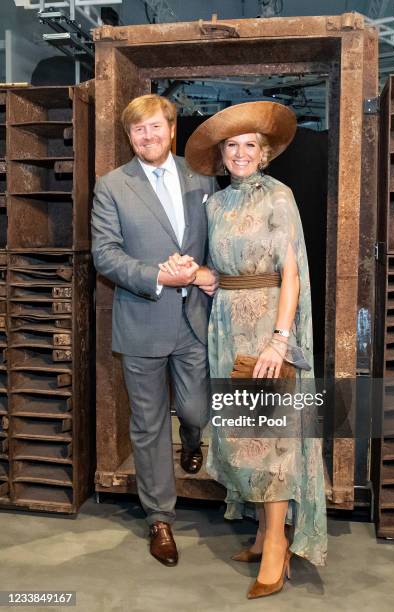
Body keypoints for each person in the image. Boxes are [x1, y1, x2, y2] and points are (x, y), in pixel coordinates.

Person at [163, 101, 327, 598]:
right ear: (222, 154)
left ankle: (277, 544)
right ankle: (261, 532)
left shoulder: (279, 197)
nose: (239, 153)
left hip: (266, 328)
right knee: (243, 435)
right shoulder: (217, 203)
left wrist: (281, 341)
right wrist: (197, 273)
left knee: (274, 437)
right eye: (231, 146)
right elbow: (218, 271)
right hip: (226, 328)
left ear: (265, 153)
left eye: (248, 145)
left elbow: (292, 272)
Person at [91, 94, 217, 568]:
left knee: (195, 406)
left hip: (194, 320)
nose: (148, 136)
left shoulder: (200, 176)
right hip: (142, 320)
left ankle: (190, 436)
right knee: (146, 424)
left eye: (155, 127)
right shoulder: (112, 186)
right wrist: (160, 276)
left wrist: (206, 272)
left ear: (172, 128)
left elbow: (217, 240)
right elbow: (105, 254)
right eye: (138, 130)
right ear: (130, 137)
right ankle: (160, 517)